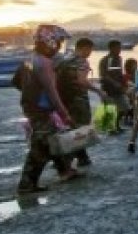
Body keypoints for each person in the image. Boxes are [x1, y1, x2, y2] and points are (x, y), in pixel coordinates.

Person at [17, 24, 80, 194]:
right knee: (41, 146)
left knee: (51, 140)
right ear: (49, 41)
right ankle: (27, 184)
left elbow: (17, 82)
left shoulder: (31, 59)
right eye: (58, 41)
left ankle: (64, 171)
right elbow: (52, 92)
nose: (59, 46)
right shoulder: (44, 63)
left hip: (31, 106)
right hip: (41, 109)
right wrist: (64, 113)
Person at [55, 38, 106, 167]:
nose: (90, 53)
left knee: (72, 127)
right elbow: (82, 81)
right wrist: (98, 90)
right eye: (90, 50)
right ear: (84, 48)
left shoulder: (65, 59)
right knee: (81, 128)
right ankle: (67, 160)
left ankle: (82, 157)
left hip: (64, 98)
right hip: (78, 99)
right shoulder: (81, 61)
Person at [98, 40, 129, 133]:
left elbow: (120, 72)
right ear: (111, 48)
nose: (119, 50)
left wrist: (124, 82)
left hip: (118, 89)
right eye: (117, 48)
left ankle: (116, 125)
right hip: (108, 88)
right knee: (111, 109)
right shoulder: (105, 60)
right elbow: (103, 75)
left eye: (120, 48)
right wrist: (114, 83)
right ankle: (111, 128)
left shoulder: (119, 59)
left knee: (124, 107)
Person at [122, 58, 138, 125]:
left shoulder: (136, 75)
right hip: (128, 93)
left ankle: (134, 116)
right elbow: (127, 84)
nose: (136, 66)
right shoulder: (125, 76)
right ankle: (131, 117)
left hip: (134, 93)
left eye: (136, 65)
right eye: (134, 65)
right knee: (132, 95)